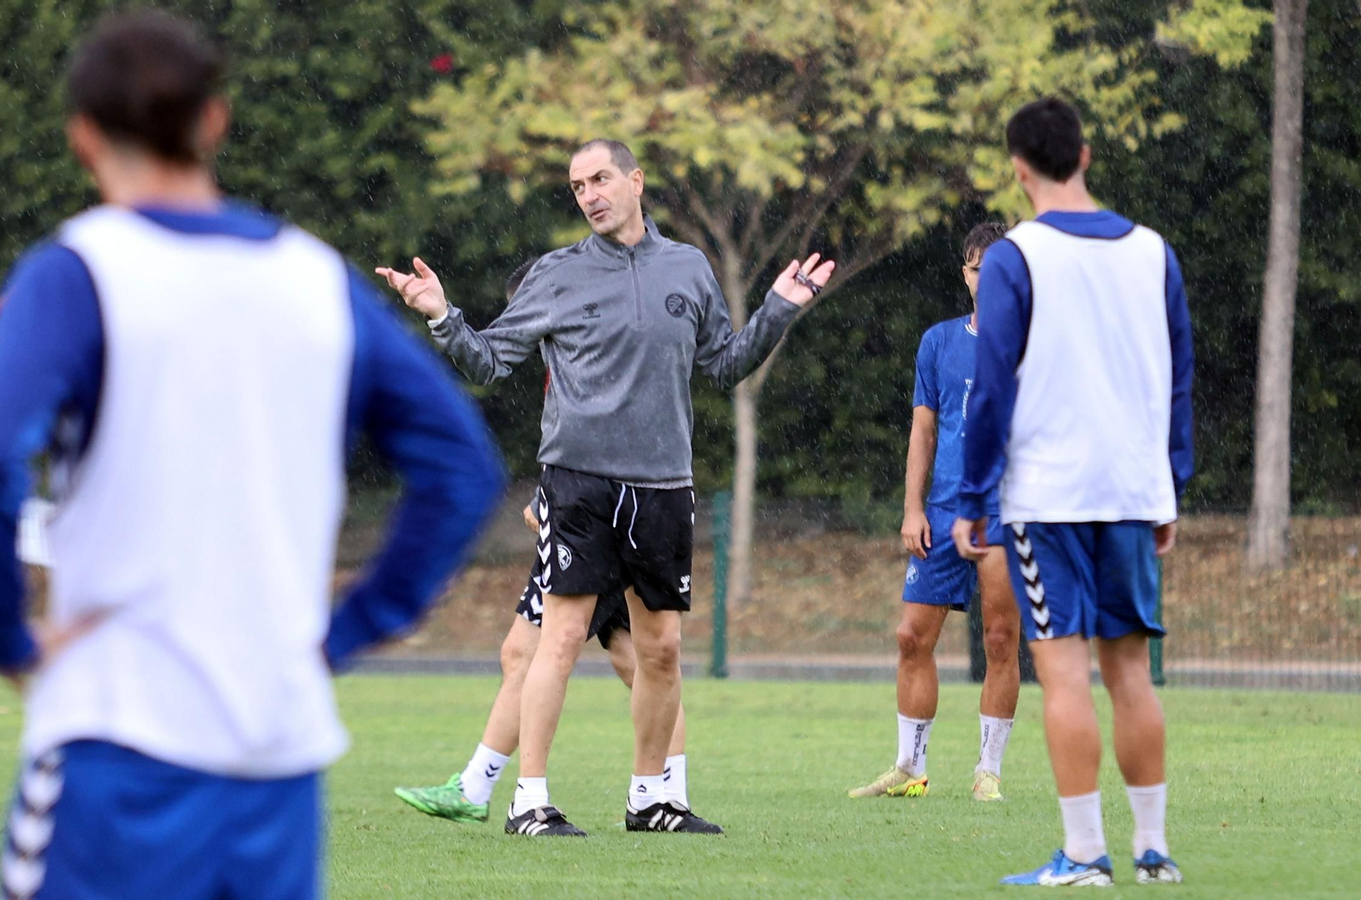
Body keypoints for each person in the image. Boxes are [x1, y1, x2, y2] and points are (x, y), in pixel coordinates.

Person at [0, 11, 503, 899]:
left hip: (116, 748)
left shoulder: (74, 272)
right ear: (216, 121)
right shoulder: (317, 280)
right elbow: (463, 471)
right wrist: (350, 629)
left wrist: (7, 634)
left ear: (82, 138)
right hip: (276, 768)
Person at [377, 139, 835, 836]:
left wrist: (777, 309)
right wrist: (443, 314)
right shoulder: (557, 274)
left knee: (660, 651)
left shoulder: (689, 266)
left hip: (664, 486)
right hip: (578, 483)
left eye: (599, 179)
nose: (588, 194)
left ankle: (652, 799)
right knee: (555, 641)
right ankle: (528, 801)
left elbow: (723, 365)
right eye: (577, 186)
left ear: (636, 181)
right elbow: (488, 361)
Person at [955, 97, 1193, 887]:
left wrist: (974, 498)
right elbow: (1178, 380)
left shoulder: (1013, 258)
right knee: (1130, 671)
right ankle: (1152, 852)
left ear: (1018, 170)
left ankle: (1086, 855)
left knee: (1062, 674)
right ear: (1086, 155)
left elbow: (991, 390)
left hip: (1048, 497)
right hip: (1131, 492)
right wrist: (1170, 487)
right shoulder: (1155, 252)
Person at [392, 258, 696, 826]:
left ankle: (491, 789)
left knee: (560, 653)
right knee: (640, 660)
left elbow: (601, 429)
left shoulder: (587, 343)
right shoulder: (570, 353)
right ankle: (663, 795)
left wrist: (558, 497)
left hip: (594, 517)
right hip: (594, 504)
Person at [849, 222, 1022, 802]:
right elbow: (924, 430)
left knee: (1000, 639)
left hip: (1006, 514)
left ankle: (988, 772)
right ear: (966, 276)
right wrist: (912, 508)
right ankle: (910, 769)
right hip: (942, 513)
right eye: (975, 268)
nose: (984, 278)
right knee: (910, 638)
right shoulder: (939, 342)